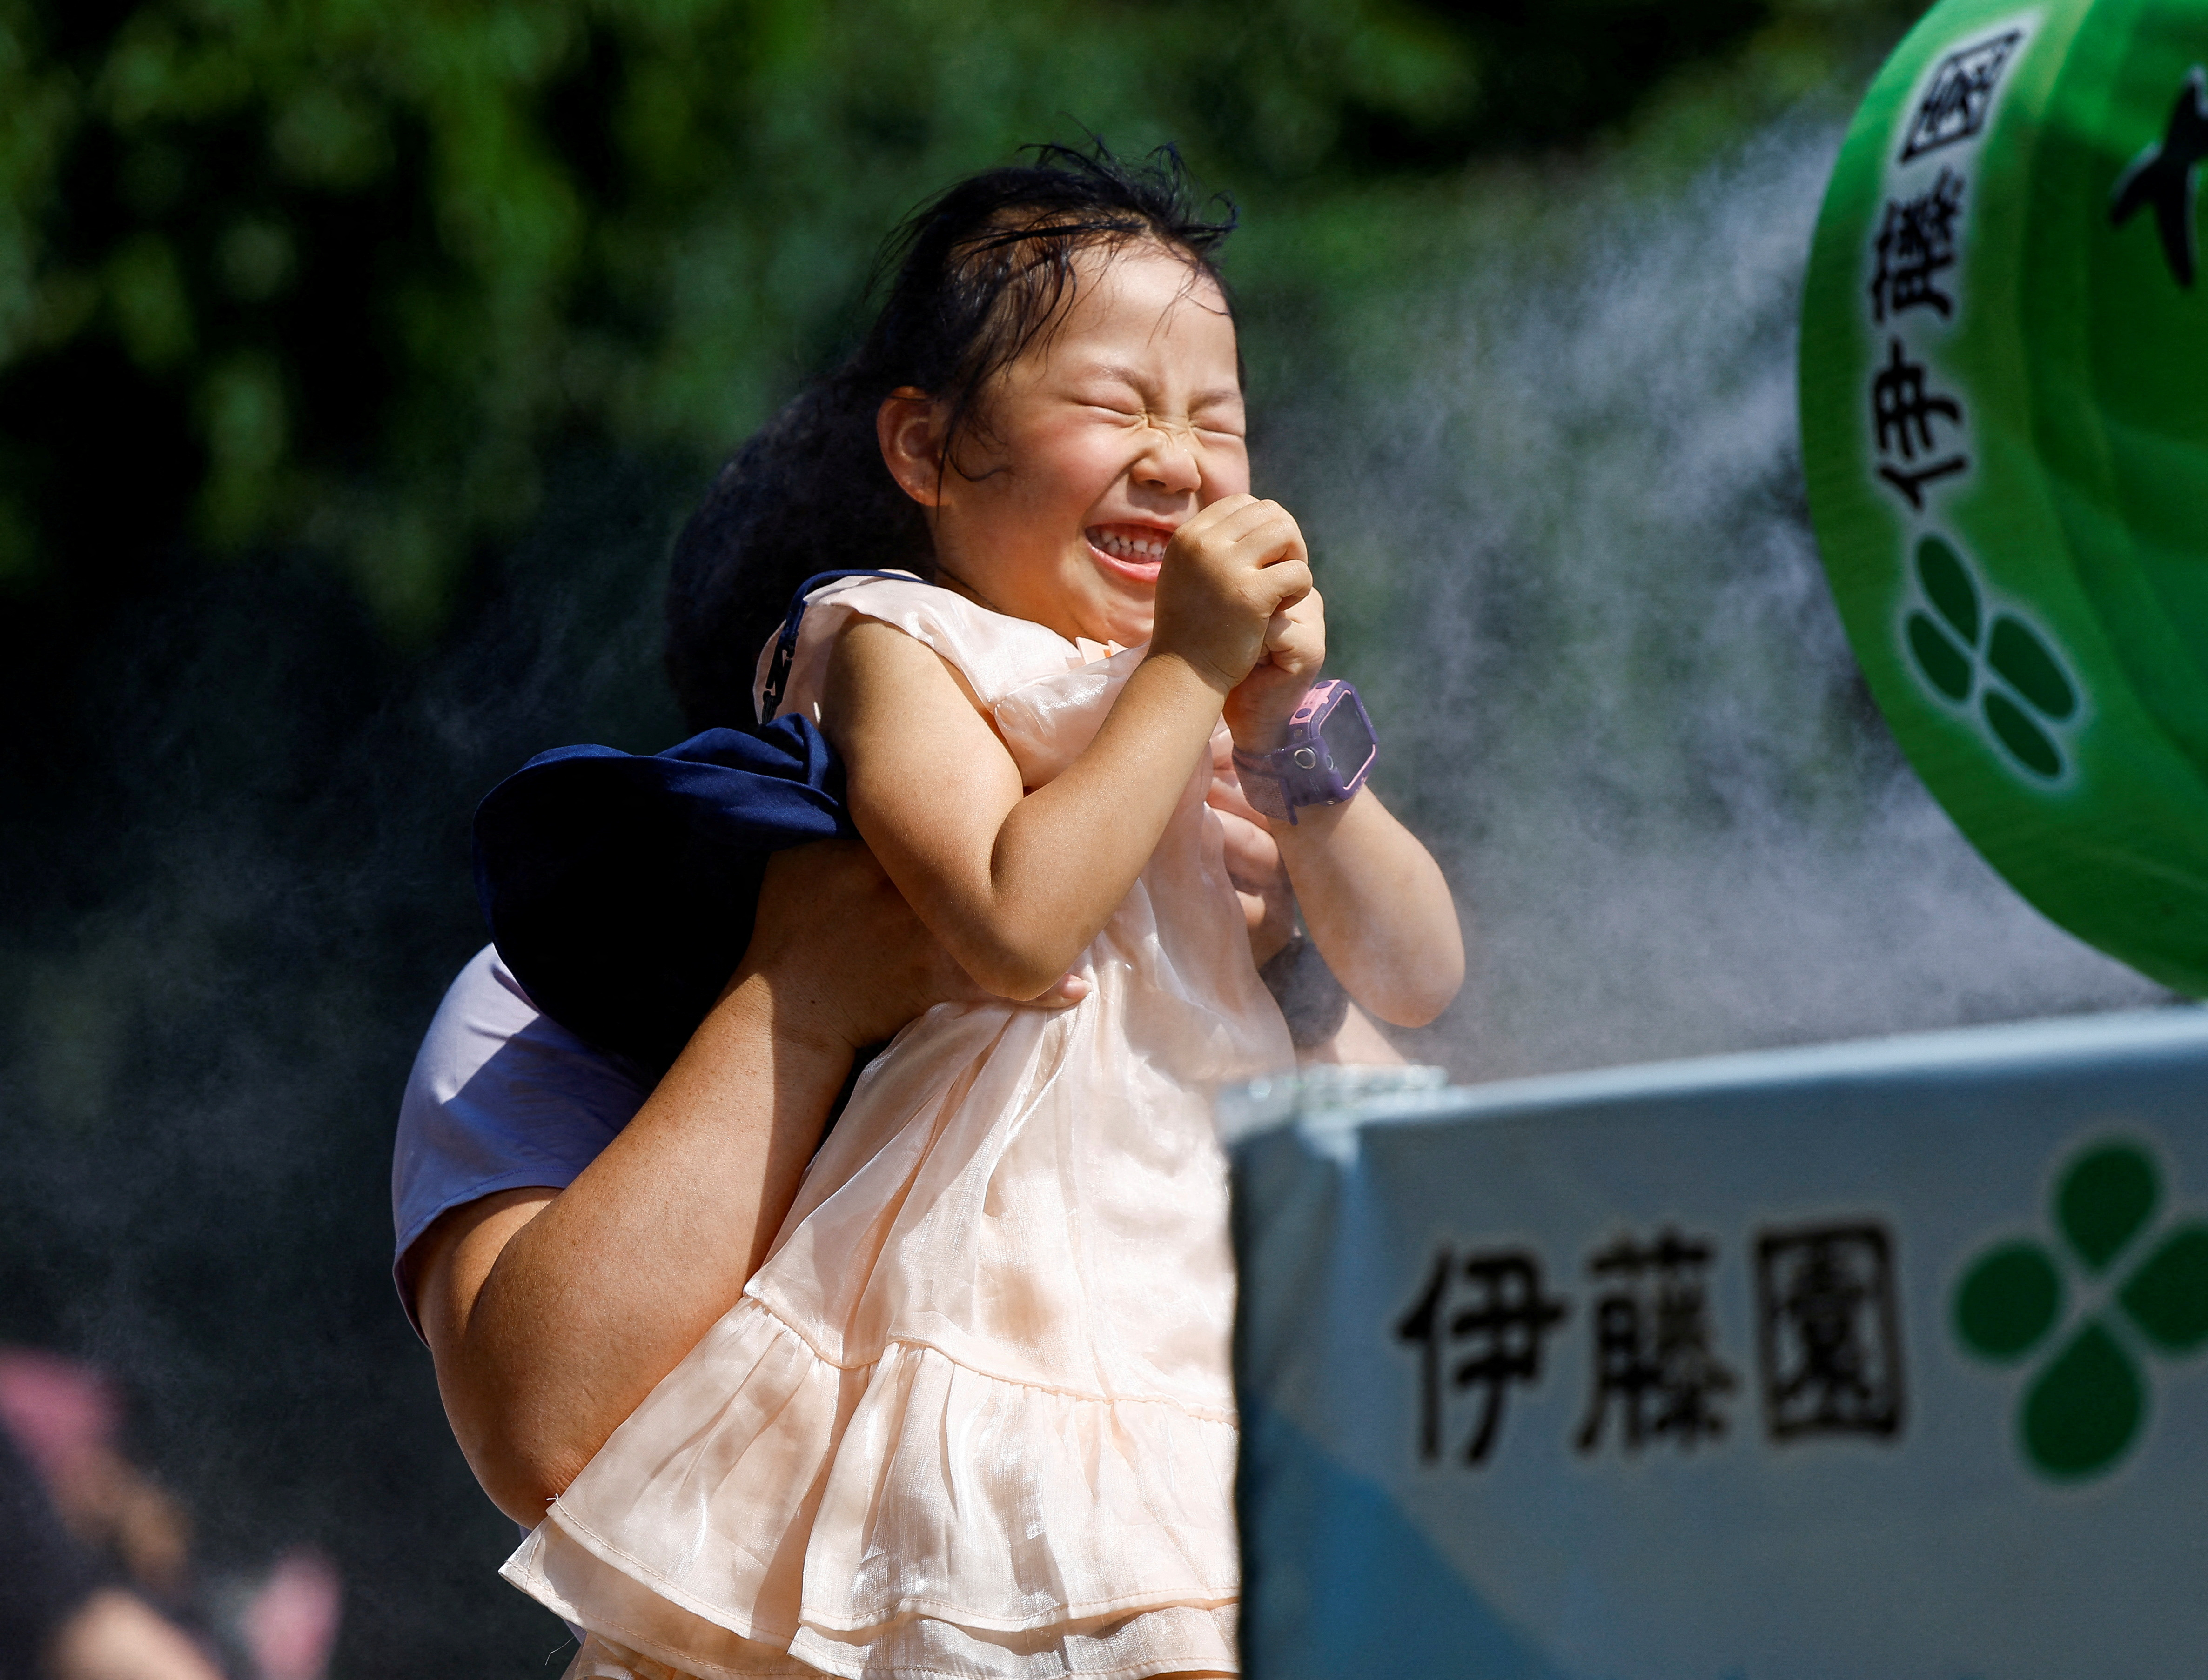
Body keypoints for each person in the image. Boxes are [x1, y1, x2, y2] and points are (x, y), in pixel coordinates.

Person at [391, 144, 1453, 1678]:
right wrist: (804, 992)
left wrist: (1295, 786)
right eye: (1107, 408)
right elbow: (553, 1440)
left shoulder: (1238, 841)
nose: (1170, 462)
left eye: (1214, 423)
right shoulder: (560, 987)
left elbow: (1420, 1047)